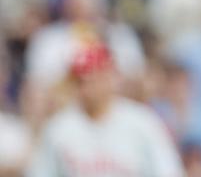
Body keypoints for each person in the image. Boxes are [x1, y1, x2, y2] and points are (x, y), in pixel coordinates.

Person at [26, 43, 184, 177]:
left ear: (110, 77)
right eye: (80, 81)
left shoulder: (142, 122)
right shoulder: (59, 128)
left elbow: (168, 171)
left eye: (93, 79)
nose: (86, 89)